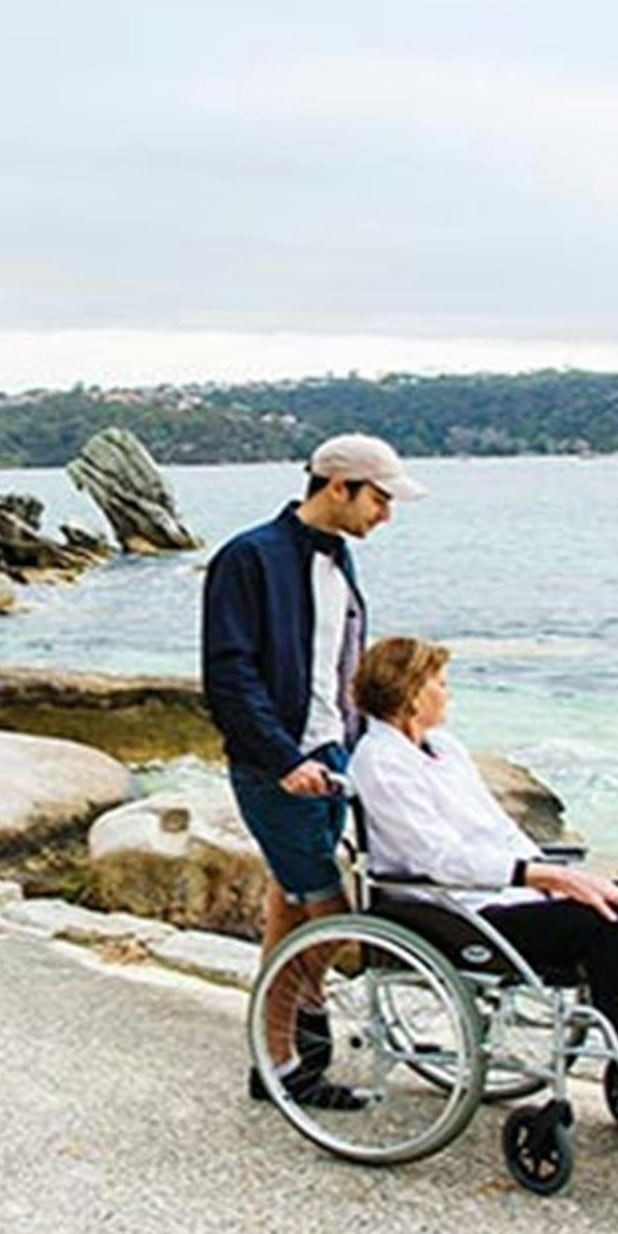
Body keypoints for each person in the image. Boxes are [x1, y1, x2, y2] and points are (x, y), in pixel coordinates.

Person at [345, 635, 618, 1147]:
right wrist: (542, 877)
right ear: (409, 693)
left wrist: (555, 874)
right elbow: (437, 859)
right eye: (439, 683)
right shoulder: (380, 763)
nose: (448, 693)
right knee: (608, 921)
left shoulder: (444, 749)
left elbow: (498, 830)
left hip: (516, 892)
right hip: (462, 910)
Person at [202, 434, 425, 1108]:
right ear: (338, 487)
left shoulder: (338, 558)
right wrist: (284, 759)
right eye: (379, 499)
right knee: (331, 911)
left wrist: (378, 740)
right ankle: (300, 1027)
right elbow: (229, 675)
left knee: (291, 906)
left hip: (332, 756)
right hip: (280, 767)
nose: (386, 513)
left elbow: (337, 665)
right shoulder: (249, 557)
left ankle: (276, 1062)